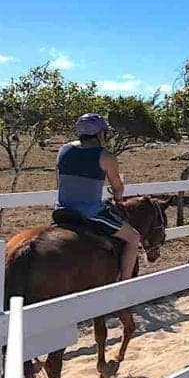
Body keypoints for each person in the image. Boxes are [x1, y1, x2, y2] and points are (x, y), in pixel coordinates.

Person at [55, 113, 141, 281]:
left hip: (62, 209)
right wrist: (118, 197)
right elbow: (117, 187)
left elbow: (58, 182)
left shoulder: (63, 149)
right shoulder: (106, 156)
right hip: (90, 213)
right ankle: (124, 284)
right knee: (133, 238)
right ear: (100, 134)